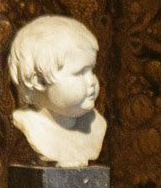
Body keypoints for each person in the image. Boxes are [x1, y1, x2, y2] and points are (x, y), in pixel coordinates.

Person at [8, 14, 107, 167]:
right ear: (38, 80)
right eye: (80, 72)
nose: (93, 81)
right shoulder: (31, 126)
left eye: (92, 70)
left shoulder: (96, 124)